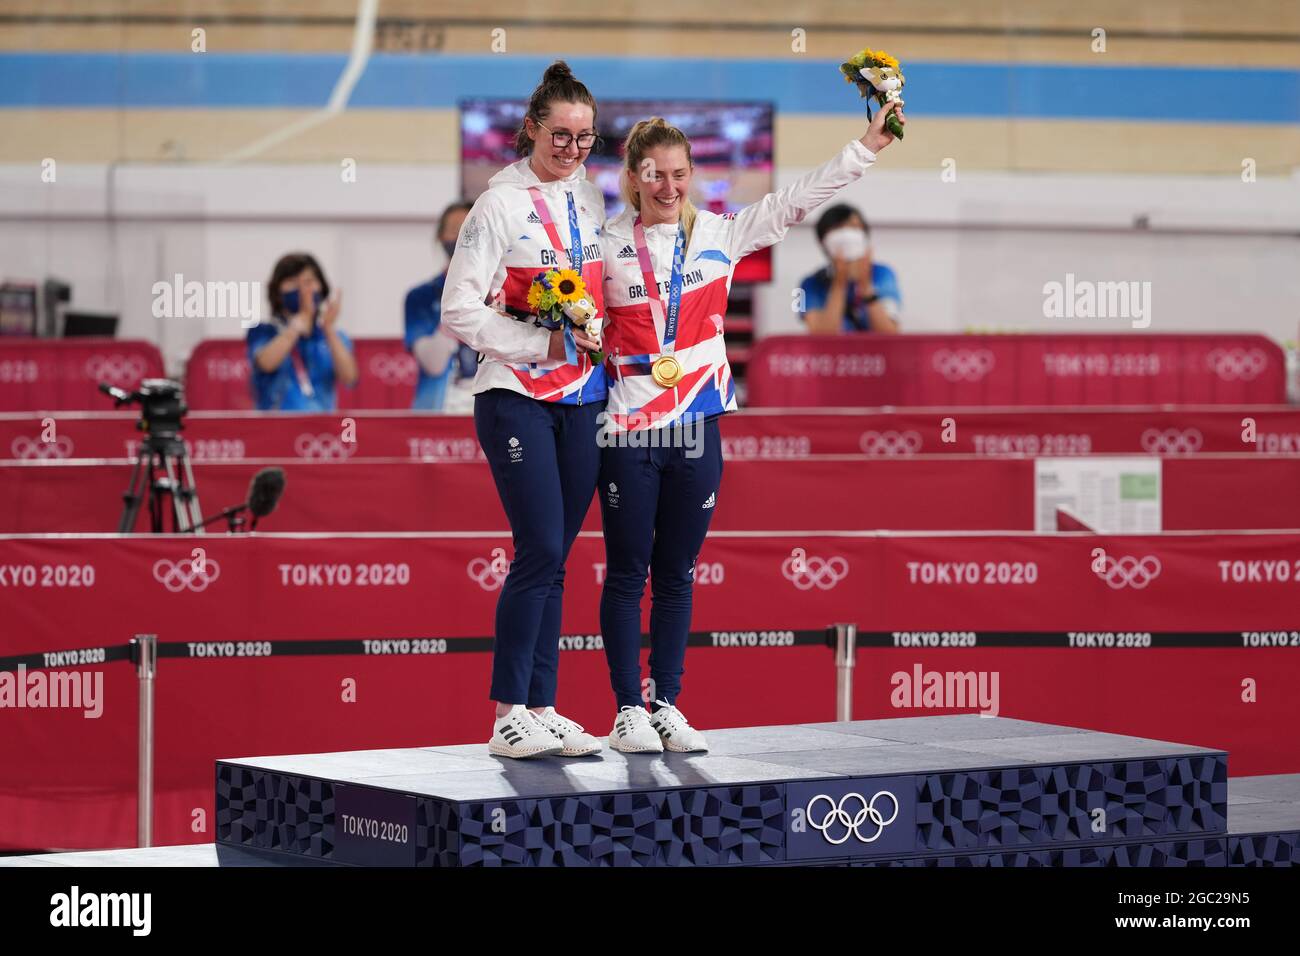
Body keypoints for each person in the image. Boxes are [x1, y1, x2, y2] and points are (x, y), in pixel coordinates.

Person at [597, 104, 902, 753]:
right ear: (632, 177)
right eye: (655, 174)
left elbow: (797, 200)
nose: (669, 186)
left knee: (677, 572)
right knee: (628, 573)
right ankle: (627, 710)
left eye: (680, 174)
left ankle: (667, 703)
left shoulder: (720, 232)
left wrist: (865, 147)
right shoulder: (602, 248)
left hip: (699, 429)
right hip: (627, 432)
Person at [441, 61, 608, 760]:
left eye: (586, 137)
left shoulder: (590, 199)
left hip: (583, 400)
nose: (572, 148)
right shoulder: (498, 206)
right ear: (533, 128)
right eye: (561, 134)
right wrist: (538, 342)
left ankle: (542, 705)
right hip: (516, 396)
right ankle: (508, 713)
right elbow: (457, 311)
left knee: (558, 559)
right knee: (538, 548)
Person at [247, 253, 359, 411]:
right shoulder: (264, 331)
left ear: (322, 287)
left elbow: (349, 377)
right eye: (292, 282)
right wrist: (298, 325)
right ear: (277, 291)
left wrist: (328, 329)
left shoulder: (334, 337)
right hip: (275, 430)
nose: (302, 289)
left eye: (308, 281)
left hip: (322, 431)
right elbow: (266, 363)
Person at [405, 201, 476, 411]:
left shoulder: (503, 290)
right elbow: (433, 365)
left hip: (492, 402)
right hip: (440, 409)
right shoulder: (421, 297)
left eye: (469, 229)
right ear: (440, 237)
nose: (462, 238)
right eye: (455, 230)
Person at [798, 204, 901, 334]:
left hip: (876, 354)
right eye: (838, 228)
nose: (847, 235)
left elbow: (890, 333)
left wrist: (866, 286)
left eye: (854, 227)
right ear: (822, 240)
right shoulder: (807, 285)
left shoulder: (884, 274)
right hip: (832, 354)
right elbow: (821, 335)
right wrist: (839, 282)